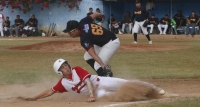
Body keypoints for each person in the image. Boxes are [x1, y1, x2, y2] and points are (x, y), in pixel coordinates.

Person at [18, 58, 166, 102]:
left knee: (125, 82)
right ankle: (141, 97)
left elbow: (88, 81)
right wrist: (34, 98)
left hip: (100, 82)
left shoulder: (76, 69)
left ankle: (154, 89)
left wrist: (90, 95)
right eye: (63, 67)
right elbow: (49, 92)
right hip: (98, 92)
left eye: (66, 65)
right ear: (59, 72)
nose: (66, 68)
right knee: (109, 97)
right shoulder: (62, 84)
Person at [63, 12, 120, 77]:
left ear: (76, 30)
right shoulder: (83, 21)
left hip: (111, 43)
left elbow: (93, 54)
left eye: (70, 32)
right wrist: (101, 14)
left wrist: (103, 65)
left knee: (97, 65)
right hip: (105, 41)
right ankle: (102, 75)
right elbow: (95, 14)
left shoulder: (84, 39)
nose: (69, 34)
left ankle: (107, 79)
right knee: (87, 57)